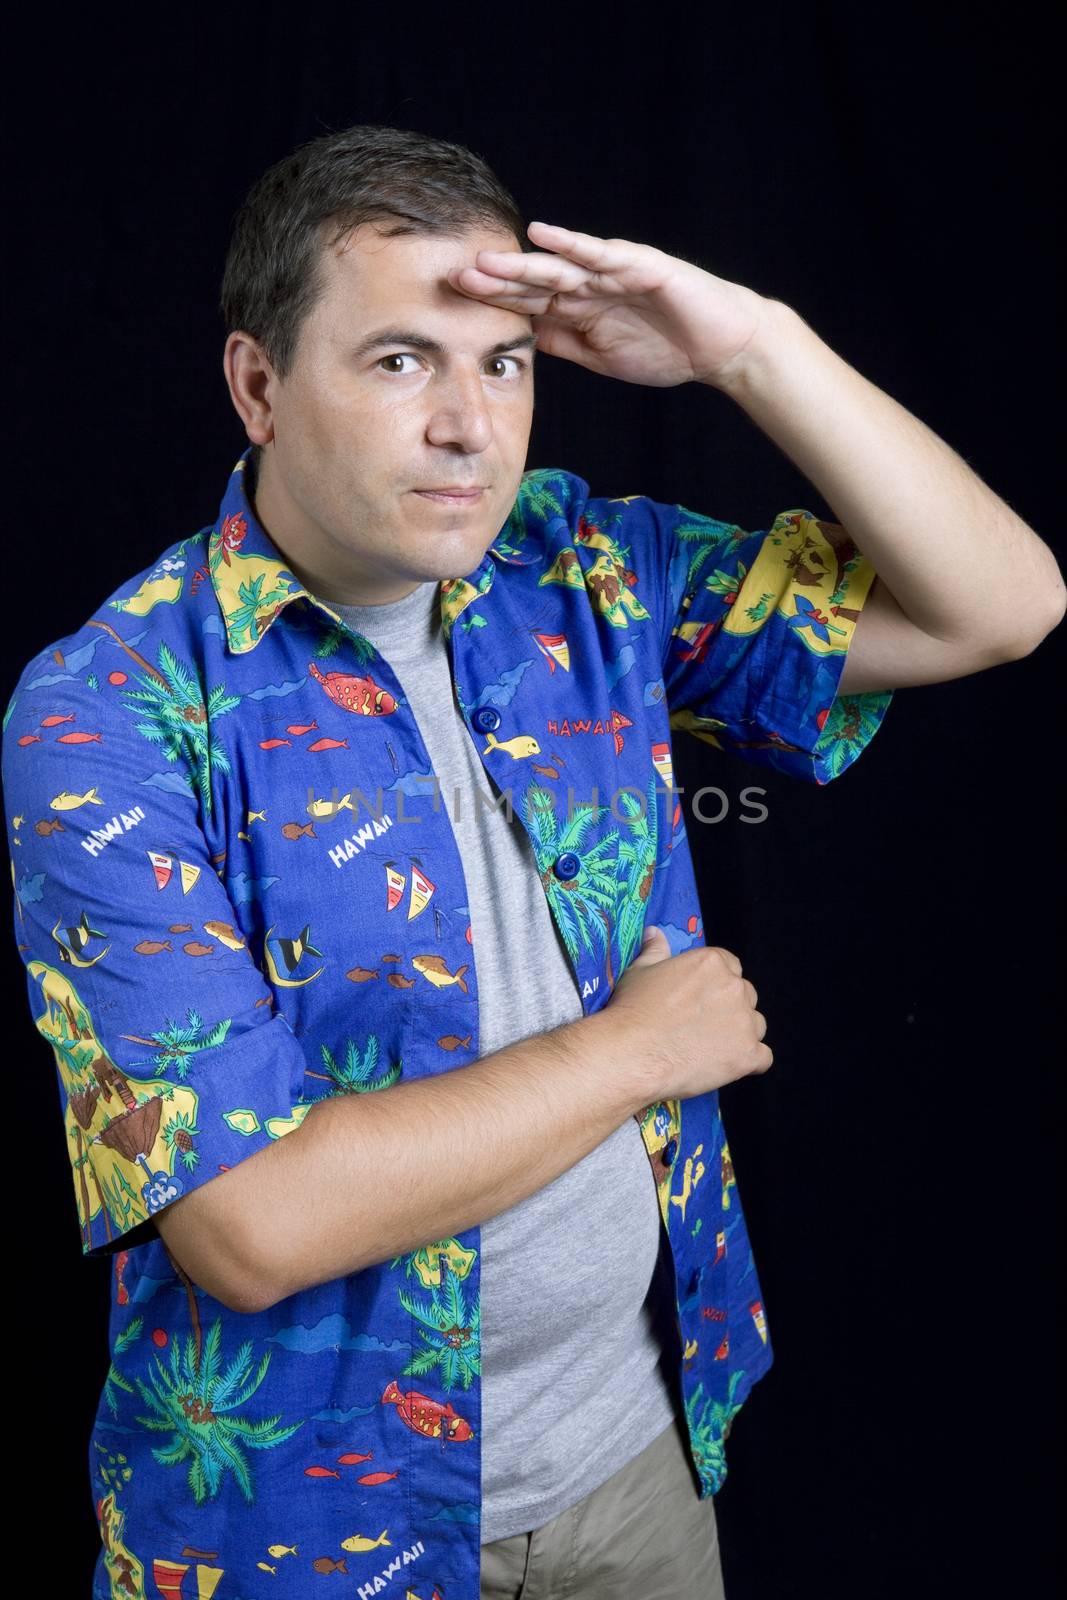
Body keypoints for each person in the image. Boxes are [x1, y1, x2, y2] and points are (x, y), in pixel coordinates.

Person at [2, 123, 1062, 1600]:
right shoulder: (109, 713)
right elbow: (252, 1223)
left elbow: (998, 606)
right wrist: (635, 1054)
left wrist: (754, 347)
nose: (469, 425)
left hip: (632, 1471)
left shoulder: (586, 572)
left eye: (502, 363)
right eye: (399, 361)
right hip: (304, 1538)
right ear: (258, 384)